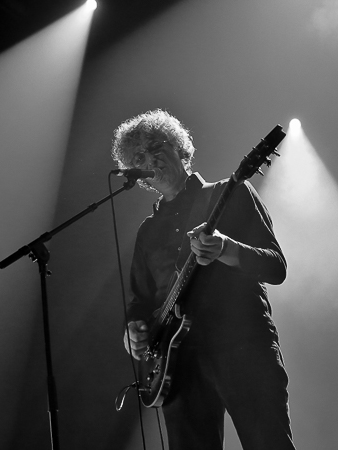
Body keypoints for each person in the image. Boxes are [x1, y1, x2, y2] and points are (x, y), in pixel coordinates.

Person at [112, 109, 295, 450]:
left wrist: (225, 248)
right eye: (139, 157)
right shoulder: (147, 233)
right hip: (176, 365)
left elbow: (276, 267)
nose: (150, 158)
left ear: (180, 148)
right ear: (140, 178)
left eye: (155, 146)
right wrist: (134, 329)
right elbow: (140, 301)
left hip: (243, 344)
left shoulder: (231, 192)